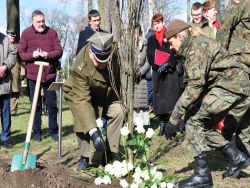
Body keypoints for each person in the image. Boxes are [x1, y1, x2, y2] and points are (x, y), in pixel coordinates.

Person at [163, 19, 250, 188]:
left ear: (180, 36)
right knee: (205, 124)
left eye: (171, 42)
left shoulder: (196, 48)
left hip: (231, 85)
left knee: (192, 121)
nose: (171, 47)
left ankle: (202, 175)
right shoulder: (195, 45)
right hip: (234, 85)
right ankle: (236, 158)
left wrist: (173, 120)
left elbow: (195, 86)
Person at [64, 32, 125, 171]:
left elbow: (117, 83)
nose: (102, 64)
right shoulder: (80, 64)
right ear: (91, 52)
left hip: (105, 94)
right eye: (98, 60)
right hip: (79, 93)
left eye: (105, 60)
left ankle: (110, 152)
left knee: (119, 111)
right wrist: (94, 133)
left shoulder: (115, 58)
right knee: (82, 117)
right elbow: (82, 100)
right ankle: (84, 156)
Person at [18, 10, 63, 142]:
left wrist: (47, 55)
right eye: (38, 21)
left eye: (43, 21)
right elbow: (20, 54)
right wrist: (32, 55)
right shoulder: (26, 33)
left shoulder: (52, 32)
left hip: (49, 74)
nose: (42, 23)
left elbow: (59, 51)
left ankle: (53, 130)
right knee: (35, 104)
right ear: (33, 21)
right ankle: (37, 132)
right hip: (33, 74)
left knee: (51, 104)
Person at [217, 0, 250, 157]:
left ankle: (244, 147)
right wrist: (220, 59)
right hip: (239, 60)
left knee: (247, 106)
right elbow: (225, 26)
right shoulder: (240, 3)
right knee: (242, 102)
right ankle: (224, 138)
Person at [146, 13, 184, 136]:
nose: (157, 25)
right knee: (161, 99)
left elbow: (174, 51)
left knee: (172, 98)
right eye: (154, 24)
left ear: (163, 22)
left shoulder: (169, 35)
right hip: (159, 73)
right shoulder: (151, 39)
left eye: (159, 23)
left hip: (171, 72)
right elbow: (150, 55)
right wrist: (158, 66)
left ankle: (174, 124)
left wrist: (168, 63)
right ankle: (162, 122)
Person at [0, 31, 17, 148]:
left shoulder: (5, 39)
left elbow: (13, 54)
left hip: (3, 83)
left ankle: (6, 137)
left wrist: (5, 66)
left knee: (5, 112)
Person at [6, 30, 25, 116]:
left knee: (15, 91)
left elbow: (23, 61)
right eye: (10, 36)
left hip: (15, 72)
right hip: (4, 71)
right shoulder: (2, 45)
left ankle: (13, 110)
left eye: (14, 36)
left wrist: (23, 72)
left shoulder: (18, 47)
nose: (12, 37)